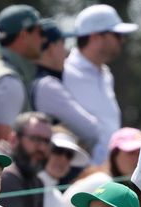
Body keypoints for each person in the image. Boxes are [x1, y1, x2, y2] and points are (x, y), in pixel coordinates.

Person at [63, 5, 137, 164]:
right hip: (80, 175)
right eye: (117, 35)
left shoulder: (106, 74)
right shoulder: (65, 72)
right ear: (95, 37)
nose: (122, 40)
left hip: (108, 173)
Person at [32, 18, 100, 154]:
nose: (66, 51)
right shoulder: (48, 85)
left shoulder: (34, 78)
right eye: (62, 44)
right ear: (51, 48)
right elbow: (92, 131)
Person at [0, 5, 42, 146]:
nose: (43, 39)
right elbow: (2, 142)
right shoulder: (8, 81)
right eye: (39, 32)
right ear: (23, 35)